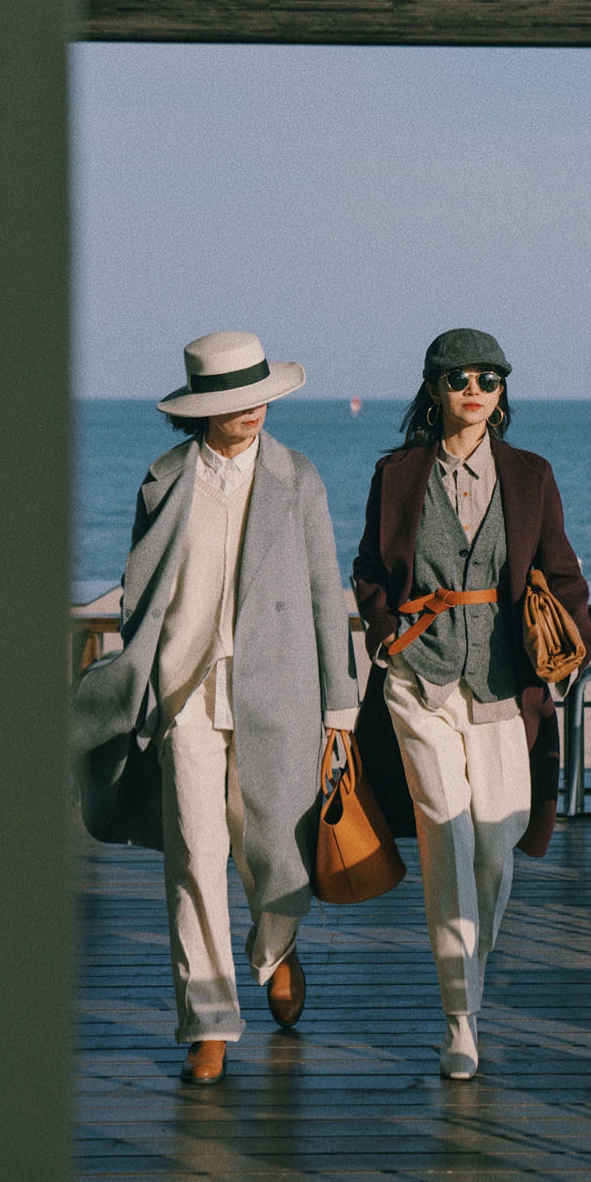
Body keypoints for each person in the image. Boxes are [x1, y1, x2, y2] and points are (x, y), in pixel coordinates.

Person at [73, 331, 358, 1084]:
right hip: (183, 694)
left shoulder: (299, 478)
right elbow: (140, 592)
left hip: (280, 693)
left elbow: (329, 597)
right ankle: (209, 1021)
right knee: (196, 856)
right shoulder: (164, 481)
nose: (254, 410)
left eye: (260, 395)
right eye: (236, 401)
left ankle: (277, 947)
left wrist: (341, 706)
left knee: (276, 847)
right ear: (202, 408)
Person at [352, 328, 591, 1080]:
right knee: (447, 839)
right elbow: (367, 570)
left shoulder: (531, 475)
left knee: (495, 845)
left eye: (489, 378)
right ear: (434, 389)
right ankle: (461, 1019)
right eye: (459, 378)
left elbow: (565, 572)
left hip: (502, 681)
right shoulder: (396, 474)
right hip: (417, 680)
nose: (475, 389)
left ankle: (471, 975)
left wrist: (566, 652)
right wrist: (387, 636)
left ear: (502, 393)